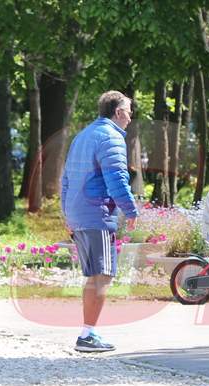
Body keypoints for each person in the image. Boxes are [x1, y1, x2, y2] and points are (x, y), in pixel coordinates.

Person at [61, 90, 138, 352]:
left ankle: (87, 333)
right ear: (118, 112)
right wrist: (131, 210)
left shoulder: (82, 136)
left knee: (93, 276)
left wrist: (66, 213)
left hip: (78, 213)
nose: (130, 116)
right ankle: (88, 335)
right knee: (102, 276)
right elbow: (116, 179)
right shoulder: (112, 137)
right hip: (97, 214)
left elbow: (66, 179)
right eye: (129, 110)